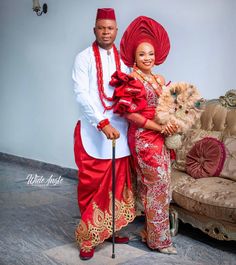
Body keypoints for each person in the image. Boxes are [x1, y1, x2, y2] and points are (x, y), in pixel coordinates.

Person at [110, 16, 178, 254]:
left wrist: (171, 122)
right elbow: (131, 115)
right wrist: (159, 127)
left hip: (161, 137)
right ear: (134, 57)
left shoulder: (159, 79)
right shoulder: (131, 79)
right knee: (156, 185)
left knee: (162, 185)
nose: (147, 58)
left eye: (150, 53)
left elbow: (167, 107)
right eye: (142, 54)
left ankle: (151, 232)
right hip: (143, 138)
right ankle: (160, 242)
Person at [72, 8, 136, 260]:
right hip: (93, 131)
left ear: (116, 30)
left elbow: (130, 95)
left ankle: (109, 229)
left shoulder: (124, 62)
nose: (106, 32)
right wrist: (101, 123)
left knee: (116, 185)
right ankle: (88, 238)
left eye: (110, 28)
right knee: (91, 185)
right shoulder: (83, 58)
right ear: (94, 30)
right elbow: (82, 94)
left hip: (120, 132)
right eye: (101, 28)